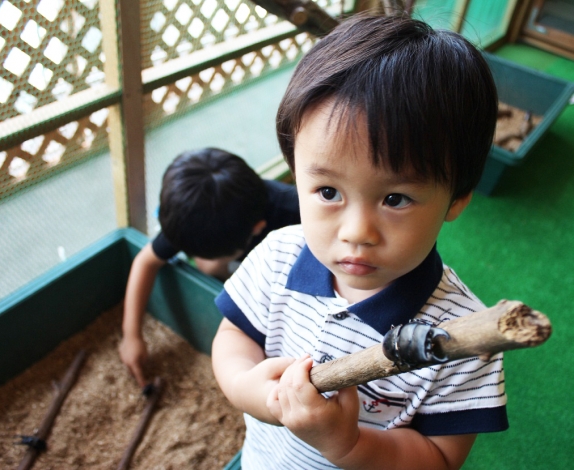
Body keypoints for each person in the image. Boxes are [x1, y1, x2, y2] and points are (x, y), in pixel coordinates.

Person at [211, 14, 508, 470]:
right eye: (328, 192)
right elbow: (234, 339)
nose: (356, 232)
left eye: (395, 198)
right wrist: (254, 391)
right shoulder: (278, 257)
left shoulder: (462, 338)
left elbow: (439, 459)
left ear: (456, 199)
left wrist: (346, 444)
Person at [120, 147, 300, 387]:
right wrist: (131, 335)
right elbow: (145, 261)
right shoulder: (195, 216)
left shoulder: (298, 215)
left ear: (257, 228)